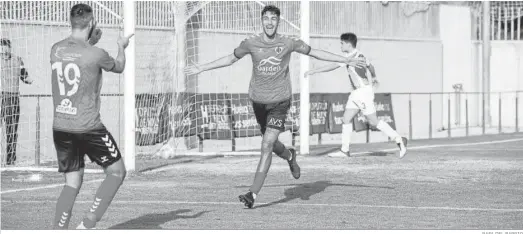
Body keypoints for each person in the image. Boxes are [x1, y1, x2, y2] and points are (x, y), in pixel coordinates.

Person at [184, 5, 367, 209]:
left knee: (266, 145)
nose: (269, 22)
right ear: (261, 21)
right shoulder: (251, 43)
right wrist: (202, 67)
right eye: (266, 18)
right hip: (257, 101)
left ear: (278, 22)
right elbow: (230, 58)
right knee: (270, 143)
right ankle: (289, 155)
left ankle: (252, 193)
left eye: (273, 19)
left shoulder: (288, 42)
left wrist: (345, 60)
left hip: (280, 102)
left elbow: (315, 52)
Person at [50, 3, 133, 229]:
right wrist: (121, 46)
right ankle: (88, 223)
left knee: (72, 183)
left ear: (71, 21)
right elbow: (119, 67)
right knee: (117, 172)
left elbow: (77, 57)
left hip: (61, 127)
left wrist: (89, 41)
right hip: (88, 127)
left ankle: (58, 230)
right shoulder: (96, 54)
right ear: (91, 22)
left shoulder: (55, 49)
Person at [304, 32, 407, 158]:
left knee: (373, 121)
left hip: (363, 93)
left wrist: (314, 71)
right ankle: (345, 150)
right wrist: (374, 76)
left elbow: (332, 66)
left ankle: (399, 139)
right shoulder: (357, 55)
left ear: (348, 44)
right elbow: (371, 66)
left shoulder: (352, 57)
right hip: (356, 93)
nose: (340, 45)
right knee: (346, 119)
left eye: (342, 43)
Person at [1, 38, 32, 165]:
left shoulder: (18, 60)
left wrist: (29, 79)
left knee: (12, 131)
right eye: (1, 47)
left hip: (13, 98)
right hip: (1, 96)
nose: (2, 50)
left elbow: (25, 76)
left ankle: (10, 160)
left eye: (4, 47)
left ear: (9, 48)